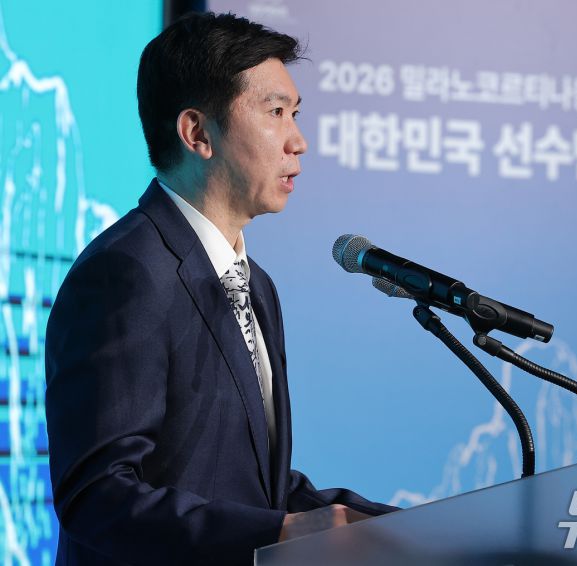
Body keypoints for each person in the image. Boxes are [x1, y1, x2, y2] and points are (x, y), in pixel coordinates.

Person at [45, 12, 395, 566]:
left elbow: (254, 487)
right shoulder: (125, 273)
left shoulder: (257, 286)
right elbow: (97, 494)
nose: (299, 141)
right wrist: (277, 532)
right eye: (276, 112)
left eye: (296, 114)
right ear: (197, 133)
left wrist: (406, 526)